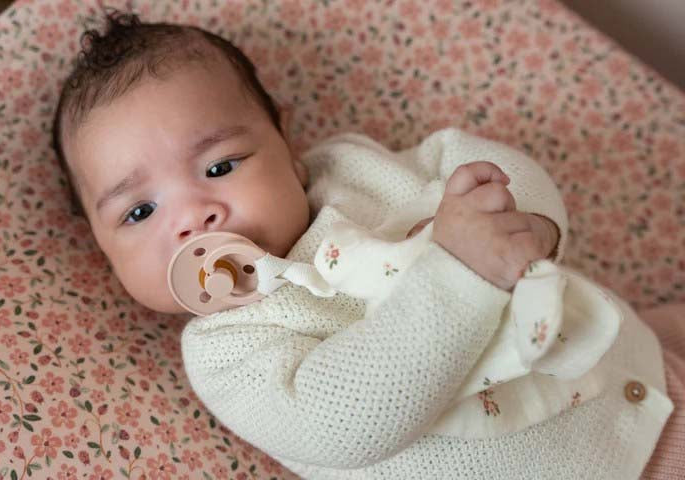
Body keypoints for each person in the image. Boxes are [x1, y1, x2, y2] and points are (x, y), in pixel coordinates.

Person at [52, 10, 676, 479]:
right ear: (104, 250)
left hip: (633, 359)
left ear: (286, 146)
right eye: (139, 211)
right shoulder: (228, 352)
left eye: (219, 167)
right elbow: (341, 423)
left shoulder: (352, 171)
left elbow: (473, 162)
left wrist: (532, 225)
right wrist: (461, 273)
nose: (194, 216)